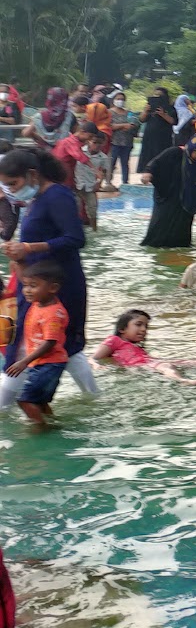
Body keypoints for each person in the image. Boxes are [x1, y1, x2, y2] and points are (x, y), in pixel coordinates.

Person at [0, 148, 97, 411]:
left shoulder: (57, 196)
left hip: (57, 286)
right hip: (36, 285)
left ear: (32, 174)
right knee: (64, 343)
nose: (9, 190)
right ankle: (93, 398)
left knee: (29, 342)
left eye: (13, 183)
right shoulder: (38, 199)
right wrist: (19, 257)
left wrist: (30, 248)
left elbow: (76, 239)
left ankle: (5, 408)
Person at [4, 262, 69, 425]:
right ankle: (53, 423)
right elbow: (25, 280)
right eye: (26, 285)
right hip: (44, 364)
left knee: (25, 401)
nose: (27, 290)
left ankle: (41, 428)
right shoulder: (40, 301)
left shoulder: (52, 314)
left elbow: (50, 342)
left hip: (49, 365)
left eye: (33, 286)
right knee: (39, 401)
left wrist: (24, 362)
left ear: (52, 288)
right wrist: (17, 264)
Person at [93, 309, 196, 385]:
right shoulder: (114, 340)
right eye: (138, 324)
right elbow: (92, 358)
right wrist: (96, 365)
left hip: (150, 363)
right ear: (122, 329)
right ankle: (184, 381)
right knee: (165, 366)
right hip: (140, 367)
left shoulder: (136, 347)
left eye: (146, 326)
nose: (143, 329)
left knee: (192, 362)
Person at [140, 136, 196, 249]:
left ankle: (180, 244)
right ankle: (155, 244)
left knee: (184, 224)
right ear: (190, 150)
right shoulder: (175, 153)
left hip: (188, 199)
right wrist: (148, 173)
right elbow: (156, 162)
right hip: (169, 196)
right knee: (161, 222)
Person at [137, 88, 177, 173]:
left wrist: (163, 114)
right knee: (148, 156)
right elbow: (141, 119)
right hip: (149, 137)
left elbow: (174, 121)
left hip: (163, 138)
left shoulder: (170, 108)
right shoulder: (150, 107)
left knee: (162, 156)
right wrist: (145, 111)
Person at [107, 90, 138, 184]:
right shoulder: (109, 112)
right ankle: (108, 182)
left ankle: (125, 182)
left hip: (127, 142)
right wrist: (123, 125)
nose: (120, 101)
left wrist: (131, 126)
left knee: (125, 163)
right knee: (111, 163)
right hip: (114, 142)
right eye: (118, 99)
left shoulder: (129, 113)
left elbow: (135, 124)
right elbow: (109, 126)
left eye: (122, 99)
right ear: (113, 100)